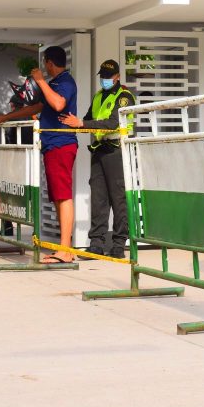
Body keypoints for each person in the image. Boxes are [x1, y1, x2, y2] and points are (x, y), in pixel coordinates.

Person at [0, 47, 78, 264]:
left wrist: (40, 81)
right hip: (50, 145)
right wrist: (8, 116)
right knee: (58, 197)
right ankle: (64, 248)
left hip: (61, 144)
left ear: (49, 63)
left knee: (63, 196)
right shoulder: (55, 84)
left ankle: (66, 250)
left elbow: (58, 104)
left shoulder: (65, 82)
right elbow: (39, 106)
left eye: (45, 65)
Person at [59, 60, 134, 259]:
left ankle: (119, 244)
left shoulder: (125, 96)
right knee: (98, 198)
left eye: (108, 76)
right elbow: (88, 119)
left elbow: (113, 123)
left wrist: (82, 123)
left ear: (117, 76)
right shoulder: (99, 96)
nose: (105, 80)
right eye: (102, 76)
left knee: (118, 199)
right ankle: (97, 243)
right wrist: (73, 123)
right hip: (100, 149)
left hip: (117, 150)